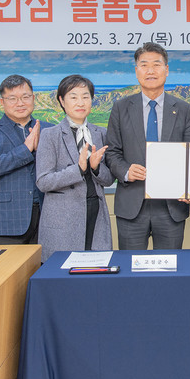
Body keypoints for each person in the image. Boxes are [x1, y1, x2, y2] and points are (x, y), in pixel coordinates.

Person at [105, 42, 190, 250]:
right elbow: (112, 152)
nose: (150, 71)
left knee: (169, 265)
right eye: (144, 65)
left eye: (156, 64)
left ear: (166, 70)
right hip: (132, 205)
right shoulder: (121, 107)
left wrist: (189, 187)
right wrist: (126, 171)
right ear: (137, 71)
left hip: (171, 206)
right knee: (130, 266)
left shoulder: (183, 109)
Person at [36, 75, 115, 261]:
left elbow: (109, 179)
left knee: (96, 268)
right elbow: (43, 182)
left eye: (85, 96)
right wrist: (78, 169)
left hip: (96, 213)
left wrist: (95, 168)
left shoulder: (101, 133)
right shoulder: (50, 135)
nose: (80, 102)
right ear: (62, 101)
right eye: (73, 97)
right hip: (64, 219)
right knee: (63, 272)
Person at [0, 74, 54, 245]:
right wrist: (25, 149)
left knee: (47, 263)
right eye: (12, 98)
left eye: (25, 97)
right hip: (7, 220)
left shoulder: (49, 130)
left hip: (47, 217)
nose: (20, 103)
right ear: (2, 102)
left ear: (33, 98)